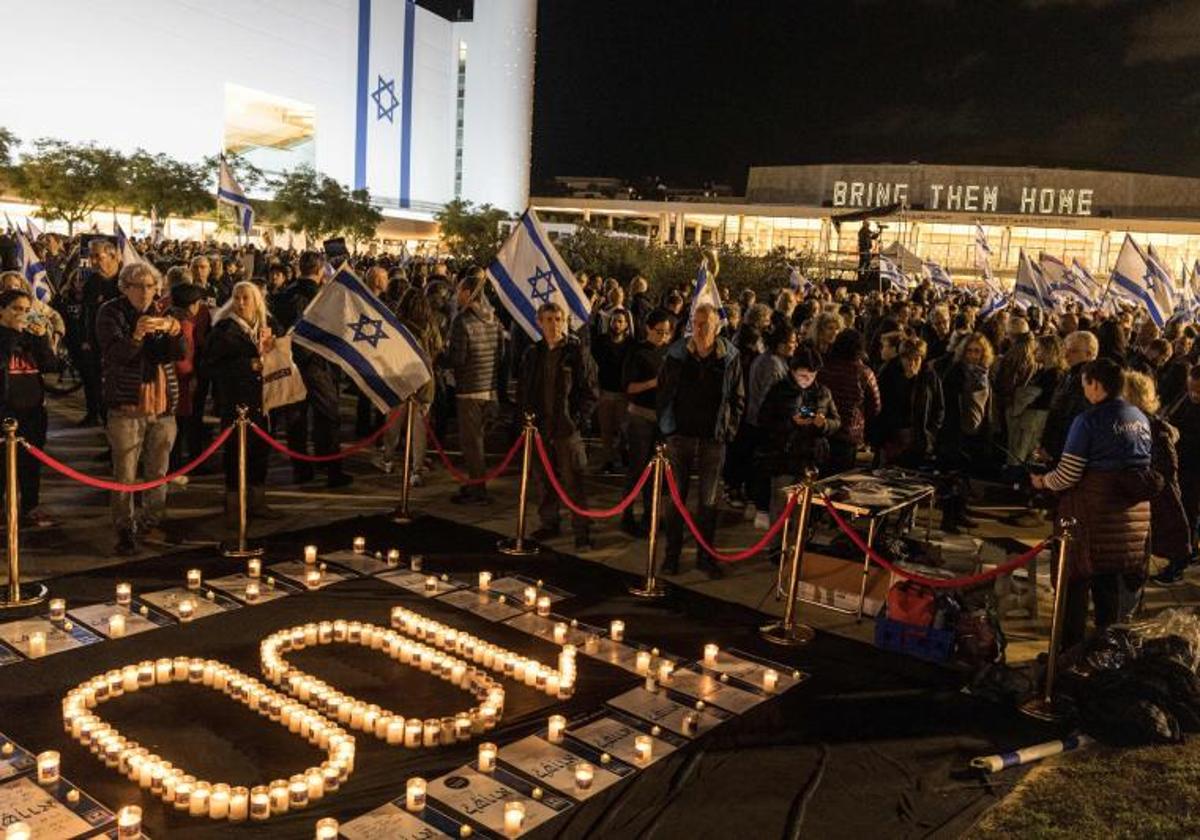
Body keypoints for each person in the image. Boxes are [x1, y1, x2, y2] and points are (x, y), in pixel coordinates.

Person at [1032, 358, 1155, 648]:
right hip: (1128, 518)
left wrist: (1043, 481)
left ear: (1095, 385)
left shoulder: (1088, 420)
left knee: (1074, 586)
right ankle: (1105, 651)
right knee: (1108, 588)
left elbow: (1068, 474)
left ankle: (1068, 654)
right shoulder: (1139, 417)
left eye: (1085, 383)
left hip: (1090, 519)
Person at [96, 263, 186, 555]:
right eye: (138, 286)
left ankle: (153, 521)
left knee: (158, 469)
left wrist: (174, 331)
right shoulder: (110, 312)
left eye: (150, 286)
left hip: (162, 403)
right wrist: (136, 335)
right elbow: (114, 355)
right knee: (125, 471)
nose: (145, 292)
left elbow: (179, 355)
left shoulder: (164, 312)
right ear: (124, 287)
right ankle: (124, 527)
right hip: (127, 403)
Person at [657, 302, 745, 578]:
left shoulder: (729, 357)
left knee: (708, 502)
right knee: (675, 500)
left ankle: (704, 557)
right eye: (695, 322)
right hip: (680, 436)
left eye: (705, 323)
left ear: (717, 327)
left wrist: (728, 430)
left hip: (712, 440)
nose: (699, 328)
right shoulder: (676, 354)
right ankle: (671, 556)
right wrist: (667, 427)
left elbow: (738, 398)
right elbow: (663, 390)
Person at [517, 302, 598, 550]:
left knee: (575, 481)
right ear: (539, 322)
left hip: (567, 430)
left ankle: (581, 530)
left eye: (558, 319)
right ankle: (549, 523)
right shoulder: (533, 353)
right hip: (541, 429)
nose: (554, 324)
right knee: (544, 480)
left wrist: (578, 421)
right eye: (549, 319)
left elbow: (590, 391)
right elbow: (524, 389)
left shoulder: (577, 352)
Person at [200, 281, 281, 525]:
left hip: (264, 401)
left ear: (257, 301)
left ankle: (258, 501)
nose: (241, 302)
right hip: (236, 400)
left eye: (246, 298)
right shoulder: (224, 330)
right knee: (236, 452)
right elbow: (208, 367)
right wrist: (247, 365)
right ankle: (234, 503)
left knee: (260, 452)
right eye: (236, 298)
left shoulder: (268, 327)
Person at [271, 252, 352, 489]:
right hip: (316, 364)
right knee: (328, 416)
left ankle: (301, 469)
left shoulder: (283, 296)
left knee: (296, 419)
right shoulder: (322, 298)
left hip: (290, 362)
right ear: (319, 271)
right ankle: (331, 468)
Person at [758, 346, 839, 560]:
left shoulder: (823, 392)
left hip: (810, 457)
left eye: (811, 375)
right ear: (792, 372)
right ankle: (776, 547)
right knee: (780, 505)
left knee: (803, 508)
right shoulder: (779, 390)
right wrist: (789, 423)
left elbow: (836, 422)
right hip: (783, 456)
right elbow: (764, 420)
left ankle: (797, 546)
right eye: (802, 375)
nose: (807, 379)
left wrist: (824, 424)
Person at [1120, 372, 1192, 588]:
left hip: (1156, 492)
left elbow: (1167, 466)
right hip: (1147, 489)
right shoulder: (1134, 421)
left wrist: (1146, 480)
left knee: (1162, 539)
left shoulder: (1152, 426)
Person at [0, 289, 60, 527]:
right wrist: (15, 335)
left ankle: (30, 506)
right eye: (16, 309)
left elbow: (51, 366)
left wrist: (42, 339)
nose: (22, 315)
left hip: (33, 410)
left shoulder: (32, 338)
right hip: (5, 411)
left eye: (26, 310)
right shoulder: (6, 337)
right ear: (2, 310)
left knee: (31, 464)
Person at [446, 270, 503, 504]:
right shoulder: (495, 320)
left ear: (469, 293)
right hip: (489, 387)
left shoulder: (463, 321)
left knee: (472, 444)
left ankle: (478, 490)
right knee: (478, 441)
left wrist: (442, 359)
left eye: (460, 290)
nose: (457, 295)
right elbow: (501, 354)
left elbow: (458, 359)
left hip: (469, 388)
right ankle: (475, 484)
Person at [620, 308, 674, 536]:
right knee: (637, 469)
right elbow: (629, 388)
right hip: (641, 416)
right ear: (648, 329)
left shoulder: (670, 353)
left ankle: (651, 515)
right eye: (659, 332)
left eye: (667, 333)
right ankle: (627, 514)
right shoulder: (637, 353)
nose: (663, 337)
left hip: (662, 420)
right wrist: (653, 383)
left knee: (656, 472)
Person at [936, 333, 994, 532]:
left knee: (965, 475)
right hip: (955, 430)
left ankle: (960, 511)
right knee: (952, 476)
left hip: (975, 430)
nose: (973, 355)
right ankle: (949, 518)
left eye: (977, 351)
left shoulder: (984, 373)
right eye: (969, 351)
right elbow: (947, 403)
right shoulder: (955, 372)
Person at [745, 326, 798, 526]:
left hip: (758, 421)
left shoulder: (768, 360)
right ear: (782, 344)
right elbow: (769, 398)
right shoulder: (773, 365)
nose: (795, 345)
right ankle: (762, 510)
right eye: (793, 342)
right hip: (764, 425)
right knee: (764, 471)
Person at [872, 337, 943, 467]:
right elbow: (878, 407)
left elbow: (939, 407)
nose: (912, 363)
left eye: (916, 359)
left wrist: (930, 434)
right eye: (908, 359)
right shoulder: (888, 374)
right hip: (892, 438)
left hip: (918, 437)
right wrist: (882, 439)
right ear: (901, 358)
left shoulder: (929, 376)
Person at [818, 328, 880, 474]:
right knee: (841, 482)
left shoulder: (823, 368)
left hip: (824, 429)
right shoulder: (864, 373)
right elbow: (875, 406)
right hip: (848, 433)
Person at [79, 238, 123, 426]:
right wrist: (86, 339)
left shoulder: (126, 281)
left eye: (98, 256)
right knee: (96, 386)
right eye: (91, 257)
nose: (93, 261)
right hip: (96, 346)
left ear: (113, 256)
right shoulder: (92, 282)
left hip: (120, 347)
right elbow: (87, 313)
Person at [1039, 330, 1099, 462]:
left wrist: (1053, 447)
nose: (1066, 354)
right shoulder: (1069, 374)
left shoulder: (1088, 381)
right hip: (1059, 446)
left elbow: (1071, 416)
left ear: (1089, 354)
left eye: (1074, 351)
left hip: (1068, 449)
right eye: (1066, 349)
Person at [1163, 365, 1200, 578]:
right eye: (1191, 389)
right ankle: (1188, 551)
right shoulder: (1185, 399)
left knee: (1188, 513)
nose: (1194, 394)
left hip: (1193, 469)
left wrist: (1177, 434)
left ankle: (1180, 562)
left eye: (1198, 390)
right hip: (1182, 466)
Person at [1007, 334, 1065, 466]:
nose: (1034, 352)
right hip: (1032, 419)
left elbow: (1033, 396)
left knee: (1025, 454)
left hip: (1035, 421)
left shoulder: (1053, 375)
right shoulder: (1044, 371)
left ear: (1048, 351)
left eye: (1038, 349)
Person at [591, 306, 632, 474]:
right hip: (605, 392)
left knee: (624, 429)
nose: (616, 324)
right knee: (606, 430)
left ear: (626, 325)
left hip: (624, 394)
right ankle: (608, 460)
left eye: (620, 321)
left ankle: (623, 454)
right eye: (614, 321)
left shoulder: (631, 345)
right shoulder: (601, 341)